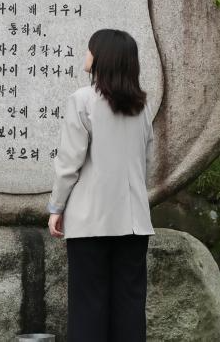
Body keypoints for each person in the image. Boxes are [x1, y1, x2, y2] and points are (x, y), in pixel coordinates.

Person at [47, 28, 156, 342]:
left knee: (88, 307)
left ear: (101, 58)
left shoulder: (82, 100)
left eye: (90, 49)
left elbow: (69, 162)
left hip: (90, 221)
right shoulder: (142, 106)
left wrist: (56, 207)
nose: (87, 54)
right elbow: (146, 161)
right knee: (130, 306)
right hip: (134, 222)